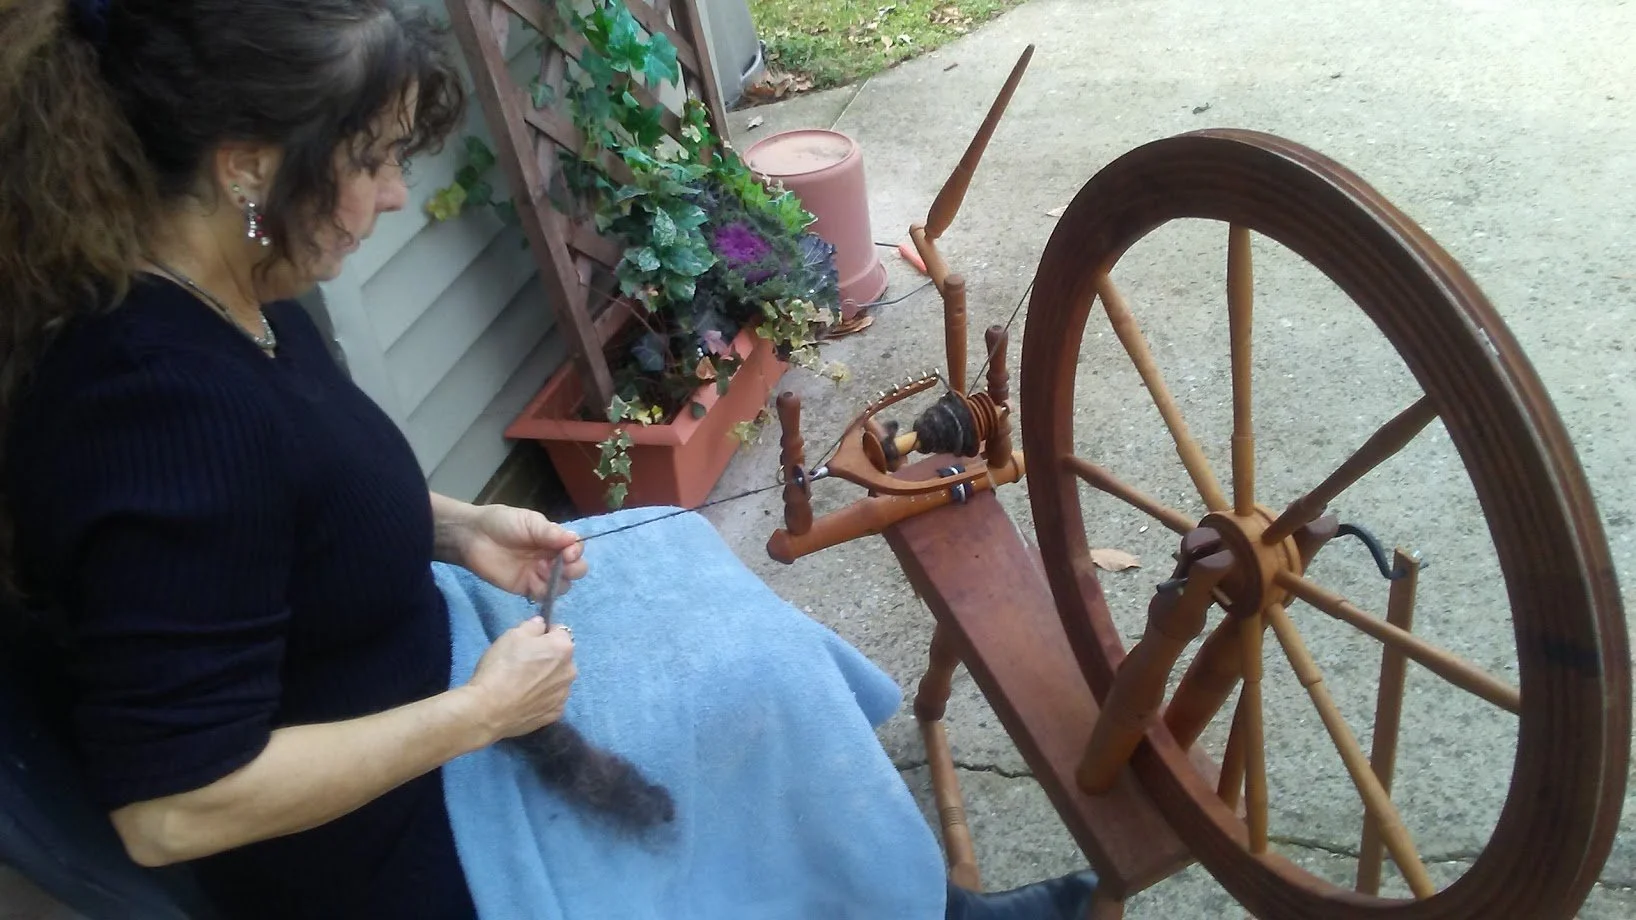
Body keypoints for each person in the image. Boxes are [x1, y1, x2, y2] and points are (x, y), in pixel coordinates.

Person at [0, 2, 1101, 918]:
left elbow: (289, 497)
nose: (393, 194)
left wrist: (454, 524)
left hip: (417, 652)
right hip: (394, 831)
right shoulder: (148, 410)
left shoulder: (239, 288)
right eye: (371, 159)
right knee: (738, 697)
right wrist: (480, 715)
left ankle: (895, 891)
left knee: (722, 614)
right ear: (246, 164)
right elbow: (173, 810)